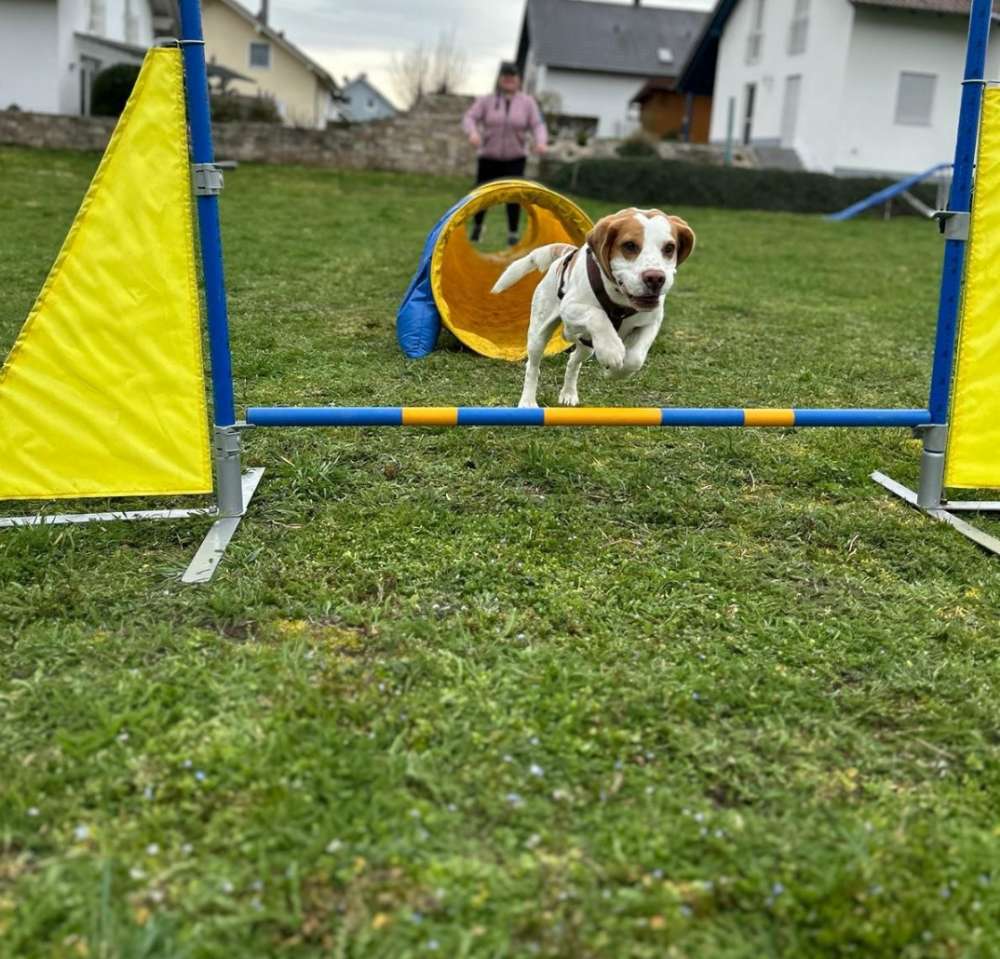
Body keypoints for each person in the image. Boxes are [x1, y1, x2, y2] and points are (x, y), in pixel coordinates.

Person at [462, 61, 549, 246]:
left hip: (515, 158)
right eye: (505, 77)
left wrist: (541, 142)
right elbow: (470, 117)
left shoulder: (527, 102)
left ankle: (512, 233)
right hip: (488, 156)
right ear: (500, 79)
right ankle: (477, 228)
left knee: (514, 196)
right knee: (481, 194)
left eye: (512, 77)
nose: (509, 80)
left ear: (519, 80)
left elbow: (538, 124)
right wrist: (473, 132)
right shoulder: (486, 101)